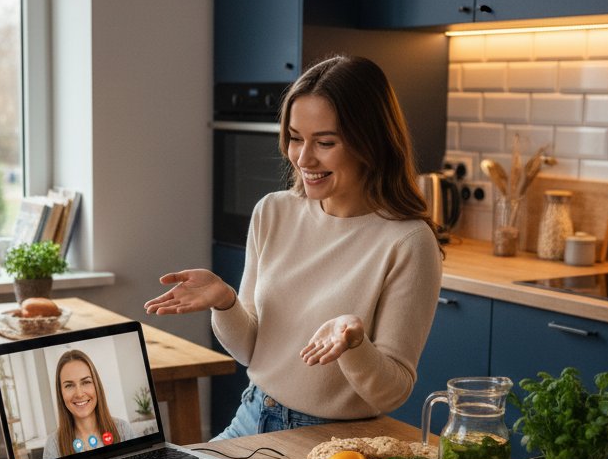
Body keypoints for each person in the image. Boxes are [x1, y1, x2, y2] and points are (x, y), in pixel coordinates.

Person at [144, 54, 443, 438]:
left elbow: (393, 391)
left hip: (332, 443)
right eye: (296, 138)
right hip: (252, 415)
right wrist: (226, 302)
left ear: (370, 143)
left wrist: (354, 343)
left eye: (326, 142)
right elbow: (252, 350)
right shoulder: (274, 211)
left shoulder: (408, 242)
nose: (303, 158)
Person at [42, 349, 136, 459]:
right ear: (60, 393)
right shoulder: (53, 445)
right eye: (69, 385)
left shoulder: (123, 430)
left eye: (86, 382)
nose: (79, 394)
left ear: (96, 386)